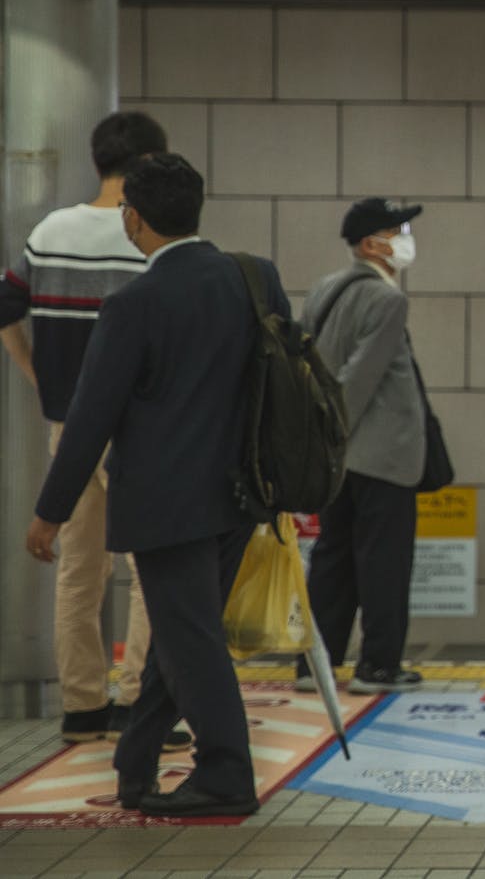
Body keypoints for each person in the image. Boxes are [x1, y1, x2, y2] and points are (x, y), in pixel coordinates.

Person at [26, 153, 287, 818]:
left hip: (167, 506)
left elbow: (89, 418)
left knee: (190, 640)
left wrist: (50, 512)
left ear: (132, 219)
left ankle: (226, 774)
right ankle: (136, 761)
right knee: (182, 634)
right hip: (240, 497)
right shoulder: (253, 279)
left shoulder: (134, 304)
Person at [0, 112, 191, 753]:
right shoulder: (148, 235)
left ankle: (82, 708)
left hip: (69, 427)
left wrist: (37, 376)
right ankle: (142, 701)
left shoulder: (52, 230)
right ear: (148, 166)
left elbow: (6, 308)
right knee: (150, 572)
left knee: (77, 573)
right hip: (141, 434)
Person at [296, 199, 428, 695]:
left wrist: (323, 439)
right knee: (384, 564)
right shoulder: (387, 299)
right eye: (398, 231)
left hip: (339, 460)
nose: (405, 240)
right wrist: (338, 424)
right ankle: (378, 666)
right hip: (383, 456)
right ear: (372, 243)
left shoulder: (325, 289)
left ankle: (316, 667)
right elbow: (359, 380)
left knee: (332, 560)